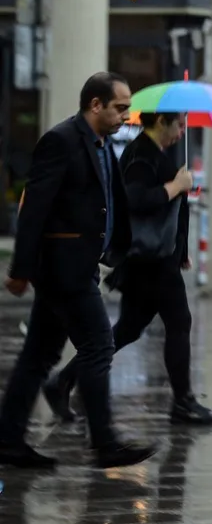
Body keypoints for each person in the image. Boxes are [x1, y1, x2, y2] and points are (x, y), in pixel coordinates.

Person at [0, 72, 156, 468]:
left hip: (80, 265)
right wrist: (20, 268)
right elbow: (34, 207)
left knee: (39, 353)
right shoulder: (61, 141)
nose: (127, 114)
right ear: (95, 105)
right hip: (61, 267)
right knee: (98, 344)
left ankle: (8, 440)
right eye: (121, 107)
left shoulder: (102, 144)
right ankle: (104, 442)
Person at [43, 111, 212, 425]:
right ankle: (183, 402)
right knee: (179, 322)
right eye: (178, 125)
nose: (182, 132)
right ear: (160, 122)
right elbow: (135, 200)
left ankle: (63, 382)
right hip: (150, 260)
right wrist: (175, 185)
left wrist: (180, 251)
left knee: (127, 328)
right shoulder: (142, 156)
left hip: (155, 258)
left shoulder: (153, 154)